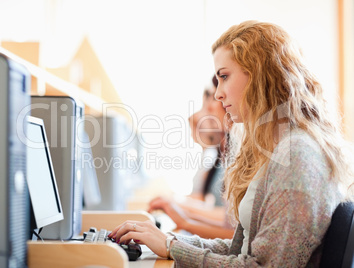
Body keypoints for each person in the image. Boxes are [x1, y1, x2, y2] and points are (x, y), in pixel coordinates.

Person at [108, 20, 354, 267]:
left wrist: (173, 246)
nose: (218, 93)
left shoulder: (297, 156)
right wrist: (169, 241)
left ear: (259, 73)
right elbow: (240, 249)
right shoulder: (277, 148)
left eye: (224, 76)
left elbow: (261, 265)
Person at [147, 75, 235, 239]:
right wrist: (179, 210)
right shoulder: (219, 155)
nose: (209, 104)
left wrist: (180, 209)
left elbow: (229, 222)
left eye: (211, 96)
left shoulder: (235, 155)